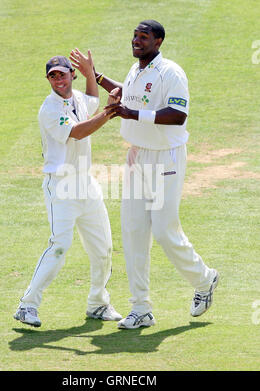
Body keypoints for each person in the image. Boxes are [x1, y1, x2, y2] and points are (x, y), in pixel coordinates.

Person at [95, 20, 219, 329]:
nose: (137, 41)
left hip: (166, 159)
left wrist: (131, 114)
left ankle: (204, 280)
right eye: (135, 36)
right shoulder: (135, 70)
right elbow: (126, 96)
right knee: (134, 231)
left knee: (164, 230)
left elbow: (178, 116)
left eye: (144, 37)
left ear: (158, 41)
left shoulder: (171, 73)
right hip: (137, 156)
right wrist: (95, 76)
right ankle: (141, 308)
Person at [13, 49, 122, 327]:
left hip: (87, 185)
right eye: (52, 76)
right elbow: (78, 131)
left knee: (103, 248)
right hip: (60, 187)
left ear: (70, 75)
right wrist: (112, 112)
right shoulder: (50, 109)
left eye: (62, 74)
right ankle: (27, 305)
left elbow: (92, 101)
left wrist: (90, 73)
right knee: (60, 246)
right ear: (48, 80)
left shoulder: (77, 99)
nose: (58, 80)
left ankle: (98, 303)